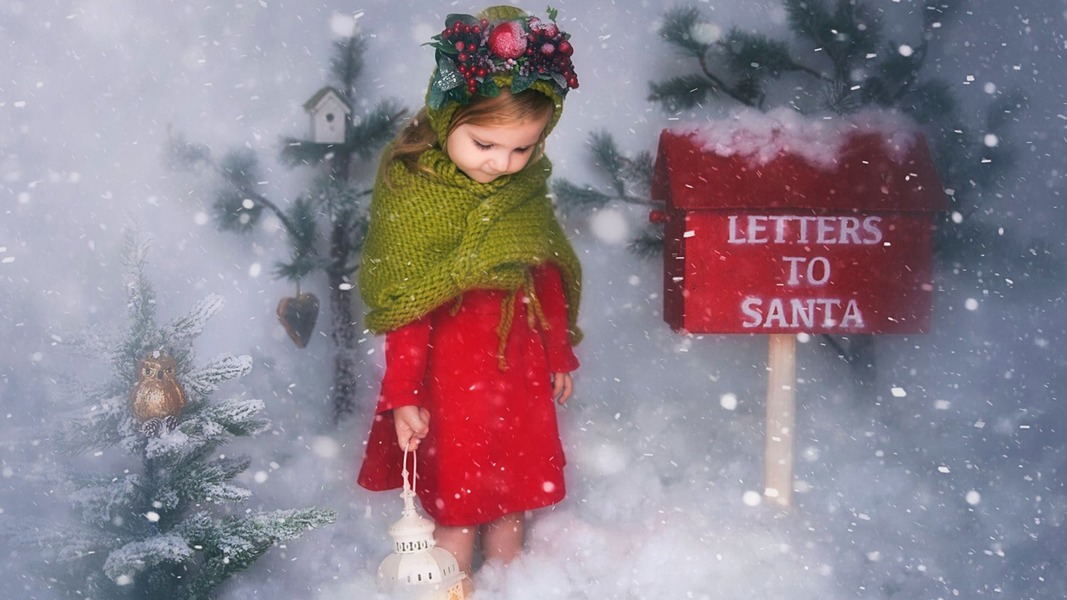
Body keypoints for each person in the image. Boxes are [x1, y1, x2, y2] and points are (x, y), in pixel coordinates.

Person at [356, 5, 582, 581]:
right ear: (447, 115)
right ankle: (453, 588)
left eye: (521, 149)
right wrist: (403, 391)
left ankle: (509, 583)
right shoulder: (415, 194)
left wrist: (558, 351)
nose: (502, 164)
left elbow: (546, 273)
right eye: (484, 143)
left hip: (521, 368)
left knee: (512, 494)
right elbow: (408, 304)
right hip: (452, 373)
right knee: (459, 499)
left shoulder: (523, 193)